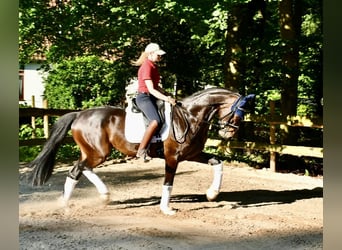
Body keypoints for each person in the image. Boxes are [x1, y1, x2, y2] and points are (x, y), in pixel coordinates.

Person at [132, 43, 176, 162]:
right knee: (156, 121)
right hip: (144, 97)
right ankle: (141, 150)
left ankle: (159, 146)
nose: (160, 57)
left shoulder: (153, 66)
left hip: (152, 97)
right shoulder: (147, 66)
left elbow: (157, 87)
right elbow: (151, 89)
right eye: (158, 55)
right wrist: (167, 99)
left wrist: (168, 95)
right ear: (151, 54)